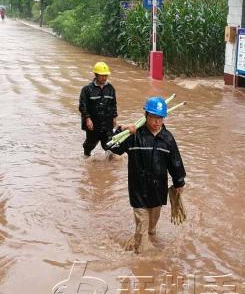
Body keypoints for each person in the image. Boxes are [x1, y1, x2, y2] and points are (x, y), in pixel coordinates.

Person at [110, 97, 186, 253]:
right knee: (141, 226)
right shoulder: (134, 136)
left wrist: (179, 183)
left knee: (151, 225)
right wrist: (121, 129)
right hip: (138, 190)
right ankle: (142, 258)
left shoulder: (167, 138)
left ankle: (149, 237)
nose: (157, 122)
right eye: (154, 117)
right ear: (146, 115)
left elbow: (175, 162)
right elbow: (111, 146)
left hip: (158, 191)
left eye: (160, 118)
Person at [79, 62, 118, 157]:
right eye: (102, 75)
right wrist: (88, 119)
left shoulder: (110, 88)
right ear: (96, 75)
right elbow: (82, 106)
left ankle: (109, 167)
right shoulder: (87, 89)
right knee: (90, 144)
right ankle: (86, 159)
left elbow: (113, 104)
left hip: (107, 122)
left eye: (106, 75)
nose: (104, 78)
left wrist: (114, 118)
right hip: (93, 123)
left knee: (110, 145)